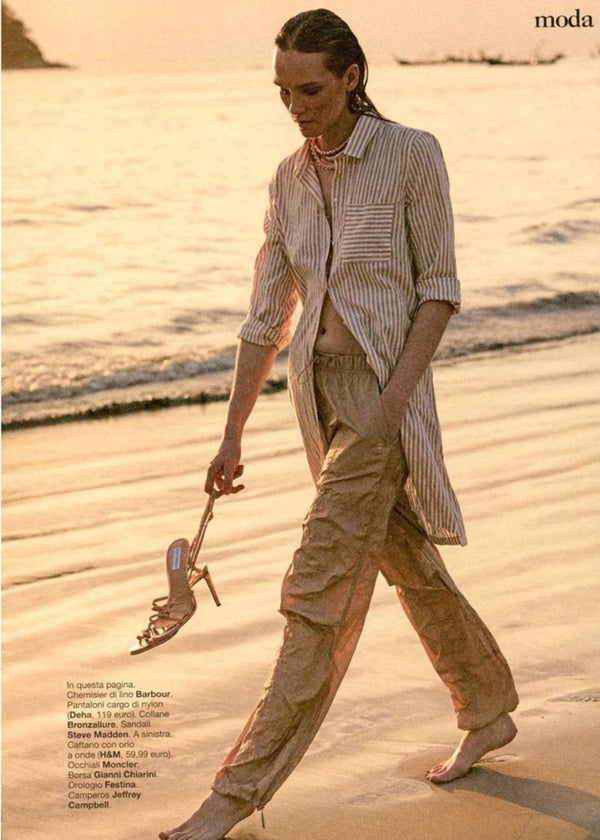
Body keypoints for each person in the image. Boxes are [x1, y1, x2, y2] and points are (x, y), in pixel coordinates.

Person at [159, 9, 518, 840]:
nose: (296, 107)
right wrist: (231, 434)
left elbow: (439, 291)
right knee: (406, 563)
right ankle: (487, 707)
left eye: (311, 90)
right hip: (317, 402)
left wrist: (391, 408)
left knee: (316, 588)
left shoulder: (411, 154)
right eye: (283, 92)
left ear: (352, 77)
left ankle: (232, 797)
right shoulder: (287, 179)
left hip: (383, 396)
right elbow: (266, 320)